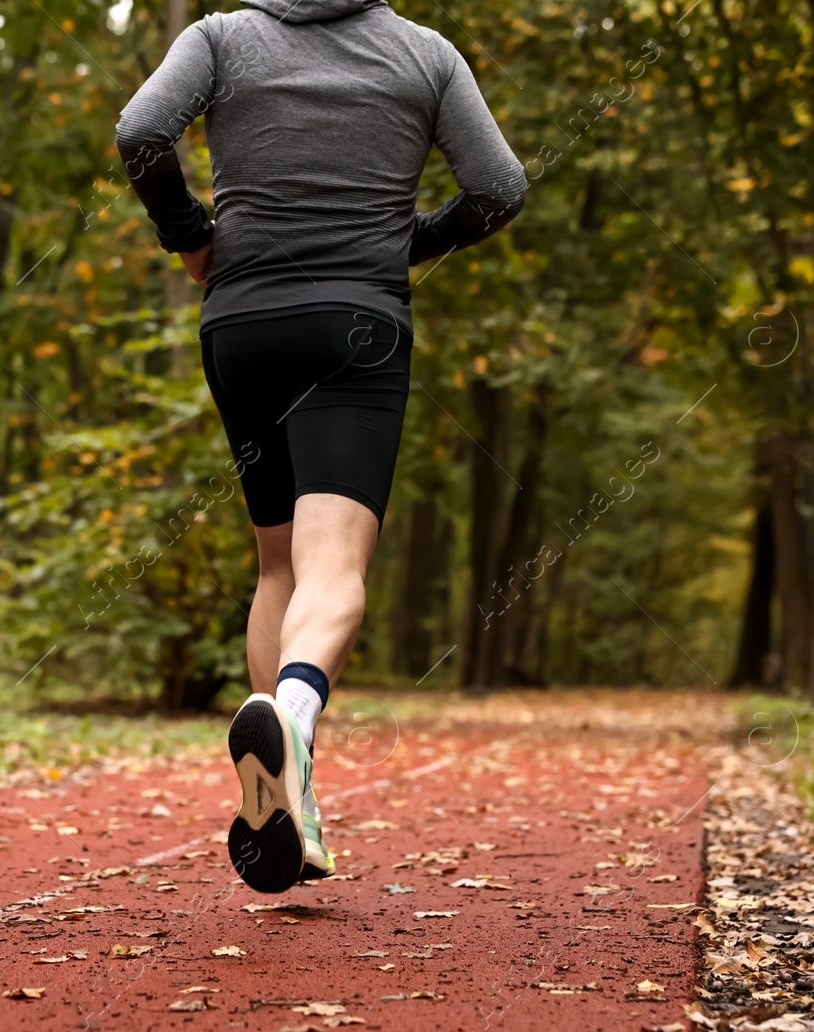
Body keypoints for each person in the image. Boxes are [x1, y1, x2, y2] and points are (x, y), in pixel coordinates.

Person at [115, 0, 526, 894]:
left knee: (277, 566)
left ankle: (289, 805)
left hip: (243, 322)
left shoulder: (220, 37)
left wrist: (190, 236)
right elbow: (500, 187)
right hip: (356, 326)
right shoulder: (424, 53)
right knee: (334, 562)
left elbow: (142, 130)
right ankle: (293, 717)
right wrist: (412, 239)